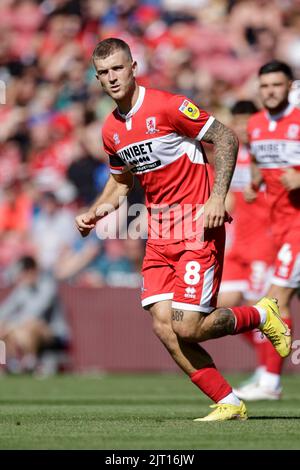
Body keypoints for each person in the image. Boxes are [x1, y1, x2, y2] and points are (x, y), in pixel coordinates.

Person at [75, 38, 291, 421]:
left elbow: (226, 136)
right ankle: (228, 402)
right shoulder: (112, 130)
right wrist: (95, 212)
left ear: (133, 67)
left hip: (196, 228)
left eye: (118, 69)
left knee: (187, 326)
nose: (112, 78)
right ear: (97, 77)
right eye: (104, 73)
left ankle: (261, 315)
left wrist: (216, 197)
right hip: (159, 236)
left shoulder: (168, 106)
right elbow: (122, 181)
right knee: (165, 327)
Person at [234, 60, 300, 401]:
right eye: (264, 86)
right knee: (280, 302)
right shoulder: (257, 124)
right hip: (278, 227)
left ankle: (270, 381)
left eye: (276, 85)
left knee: (273, 302)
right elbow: (260, 159)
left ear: (290, 86)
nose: (270, 91)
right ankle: (268, 375)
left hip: (298, 228)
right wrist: (257, 180)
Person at [218, 101, 276, 386]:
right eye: (237, 121)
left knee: (257, 308)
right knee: (220, 307)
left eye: (246, 121)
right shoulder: (232, 154)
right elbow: (230, 198)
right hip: (238, 245)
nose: (242, 127)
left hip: (264, 246)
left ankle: (267, 375)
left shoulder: (269, 153)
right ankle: (267, 361)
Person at [0, 255, 70, 374]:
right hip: (23, 329)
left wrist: (11, 326)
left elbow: (36, 313)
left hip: (54, 333)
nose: (20, 277)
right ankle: (9, 363)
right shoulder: (22, 288)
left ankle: (30, 361)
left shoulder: (48, 285)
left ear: (31, 271)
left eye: (22, 273)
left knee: (30, 325)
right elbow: (5, 310)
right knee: (4, 327)